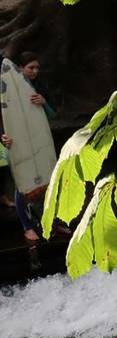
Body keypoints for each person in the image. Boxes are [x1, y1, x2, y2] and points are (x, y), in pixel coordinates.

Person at [0, 53, 58, 244]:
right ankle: (28, 227)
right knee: (22, 187)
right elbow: (5, 120)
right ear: (20, 68)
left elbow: (53, 114)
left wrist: (44, 103)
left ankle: (53, 222)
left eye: (37, 68)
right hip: (16, 145)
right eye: (31, 68)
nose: (35, 71)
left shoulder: (40, 87)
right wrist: (2, 138)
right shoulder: (5, 89)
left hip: (39, 142)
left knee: (51, 182)